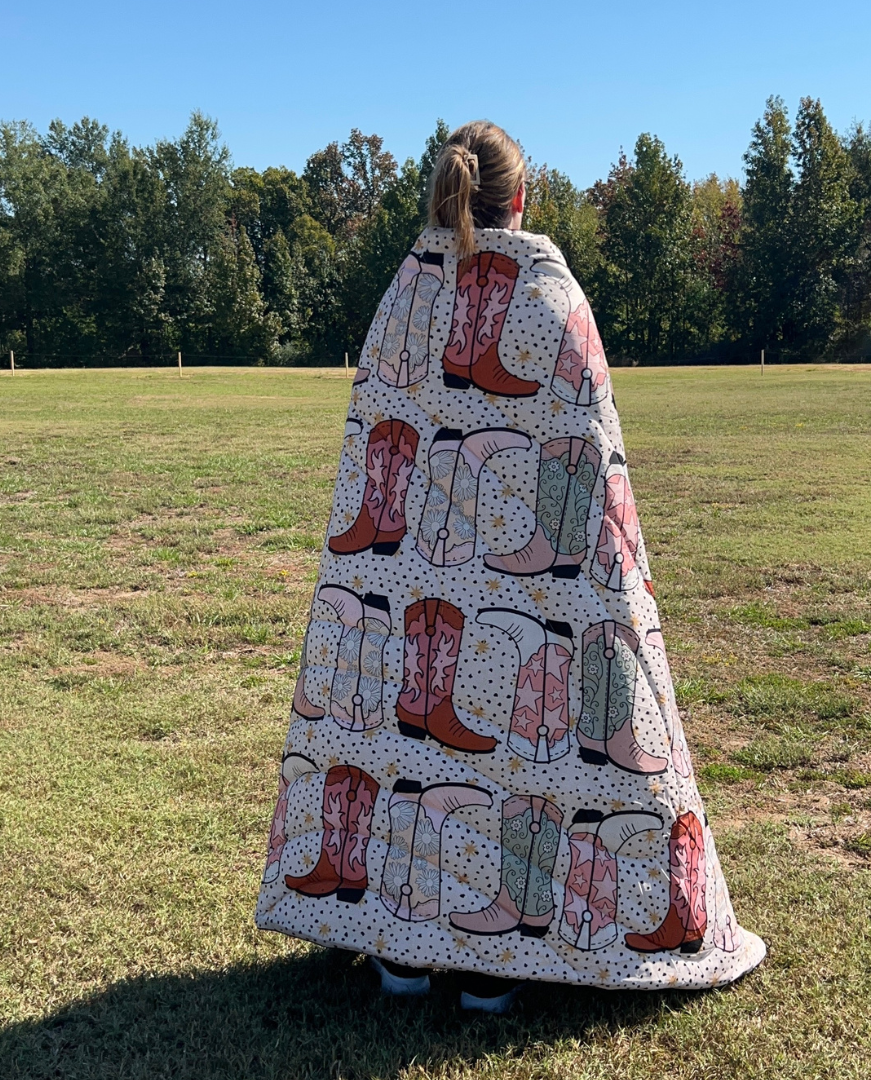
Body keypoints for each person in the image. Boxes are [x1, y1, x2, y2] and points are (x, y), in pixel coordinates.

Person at [255, 120, 765, 1013]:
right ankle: (497, 957)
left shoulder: (402, 298)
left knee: (409, 739)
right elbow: (594, 458)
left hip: (413, 570)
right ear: (519, 199)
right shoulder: (553, 295)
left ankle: (401, 944)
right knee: (524, 750)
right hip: (548, 577)